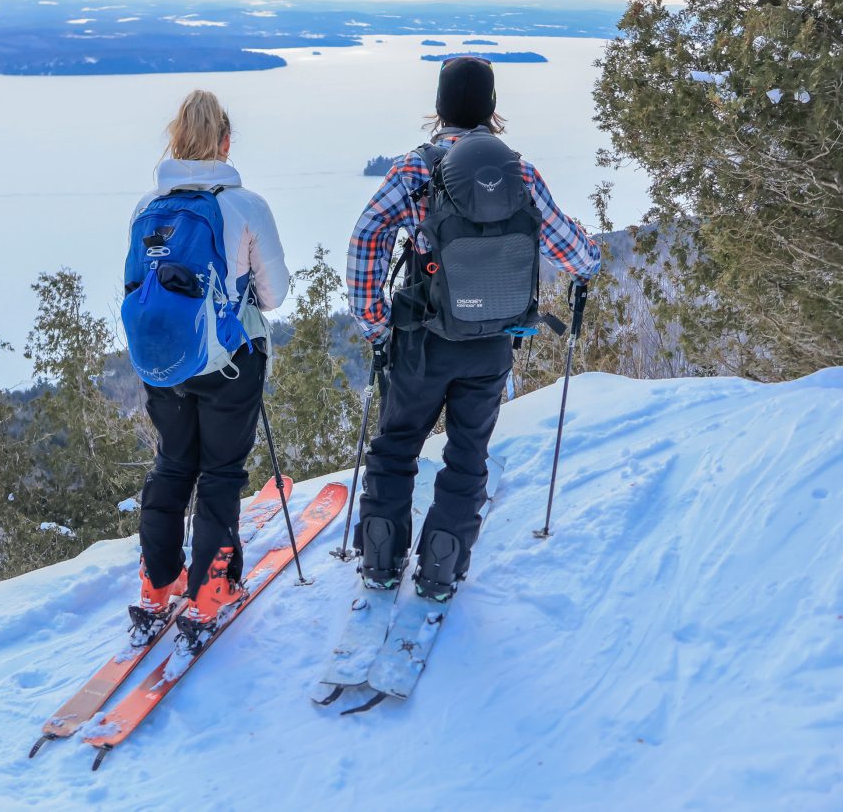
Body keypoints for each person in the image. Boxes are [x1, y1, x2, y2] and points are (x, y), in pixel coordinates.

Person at [345, 56, 600, 601]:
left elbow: (367, 234)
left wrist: (374, 323)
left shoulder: (417, 169)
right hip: (490, 342)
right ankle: (441, 568)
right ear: (491, 110)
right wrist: (592, 258)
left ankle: (381, 562)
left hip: (420, 341)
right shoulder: (519, 172)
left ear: (438, 108)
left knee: (395, 450)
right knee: (468, 455)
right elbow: (573, 251)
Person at [126, 89, 289, 646]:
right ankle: (211, 589)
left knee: (173, 465)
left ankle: (157, 584)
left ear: (175, 139)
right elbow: (273, 296)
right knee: (220, 472)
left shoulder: (148, 209)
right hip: (229, 362)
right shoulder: (244, 206)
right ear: (225, 141)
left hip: (163, 365)